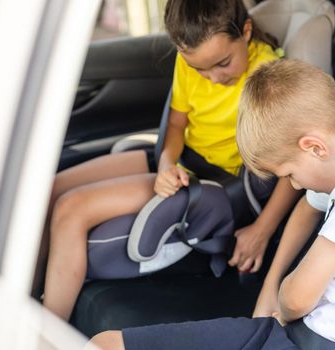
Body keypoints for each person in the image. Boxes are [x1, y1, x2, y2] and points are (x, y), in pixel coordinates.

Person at [88, 59, 335, 350]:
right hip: (304, 334)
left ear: (315, 147)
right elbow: (307, 208)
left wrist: (283, 301)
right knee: (106, 344)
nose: (295, 185)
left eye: (289, 173)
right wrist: (270, 288)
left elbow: (299, 298)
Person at [42, 0, 300, 321]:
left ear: (245, 32)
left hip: (214, 185)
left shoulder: (269, 80)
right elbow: (177, 125)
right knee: (47, 191)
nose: (212, 78)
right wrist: (166, 162)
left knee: (70, 208)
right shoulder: (189, 60)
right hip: (178, 165)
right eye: (199, 69)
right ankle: (25, 296)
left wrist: (262, 229)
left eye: (223, 63)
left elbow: (294, 170)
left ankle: (45, 330)